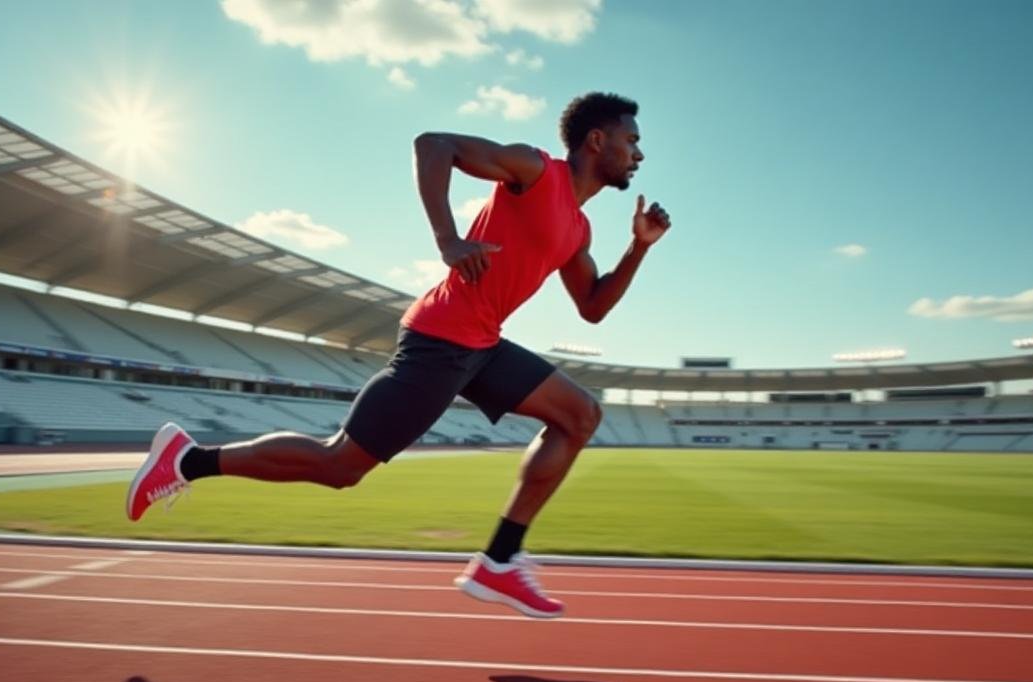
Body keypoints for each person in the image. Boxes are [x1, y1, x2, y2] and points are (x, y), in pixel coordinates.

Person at [127, 92, 671, 619]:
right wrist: (448, 240)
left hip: (482, 344)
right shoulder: (535, 170)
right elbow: (433, 144)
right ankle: (188, 460)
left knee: (580, 414)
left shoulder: (578, 230)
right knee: (340, 465)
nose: (639, 154)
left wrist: (639, 248)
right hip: (441, 339)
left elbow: (593, 307)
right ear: (597, 140)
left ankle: (500, 560)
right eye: (632, 140)